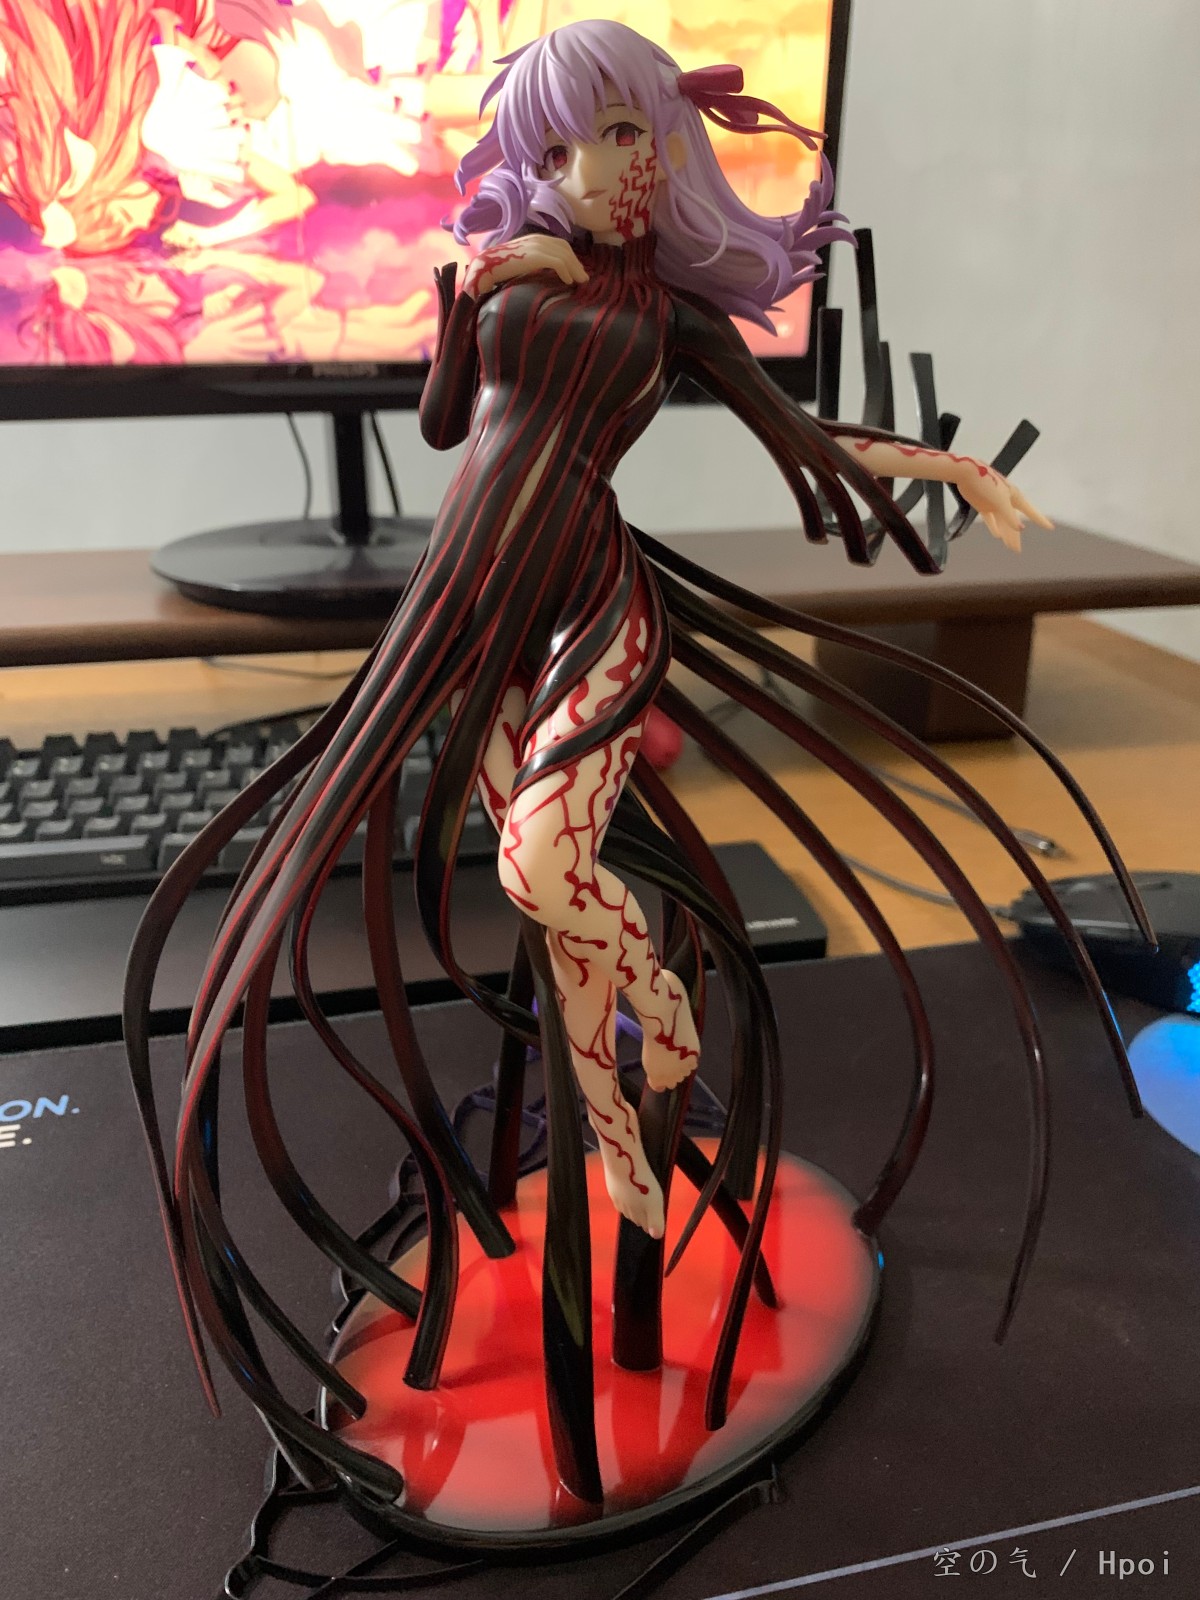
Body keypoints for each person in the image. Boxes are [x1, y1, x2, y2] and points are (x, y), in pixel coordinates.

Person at [126, 17, 1144, 1511]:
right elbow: (445, 423)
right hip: (466, 602)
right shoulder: (513, 274)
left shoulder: (671, 316)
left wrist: (949, 468)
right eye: (559, 146)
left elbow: (808, 445)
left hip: (595, 603)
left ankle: (660, 1030)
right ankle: (625, 1123)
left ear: (663, 146)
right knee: (522, 905)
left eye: (620, 136)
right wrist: (473, 295)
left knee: (549, 867)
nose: (595, 170)